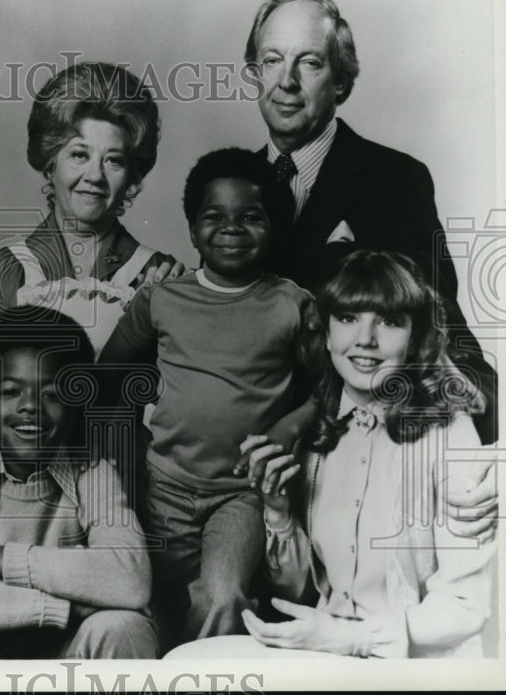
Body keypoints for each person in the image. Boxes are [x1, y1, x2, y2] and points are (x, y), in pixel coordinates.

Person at [239, 0, 498, 528]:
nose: (285, 81)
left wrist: (483, 423)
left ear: (339, 80)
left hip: (348, 453)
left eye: (308, 62)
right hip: (247, 454)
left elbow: (439, 318)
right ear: (253, 73)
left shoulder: (393, 179)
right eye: (271, 61)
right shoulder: (235, 189)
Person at [97, 148, 315, 651]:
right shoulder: (162, 299)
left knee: (222, 595)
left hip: (240, 494)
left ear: (274, 226)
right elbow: (107, 375)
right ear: (192, 229)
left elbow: (330, 389)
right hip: (163, 485)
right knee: (138, 594)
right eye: (214, 217)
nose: (231, 228)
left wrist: (290, 426)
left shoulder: (293, 304)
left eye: (251, 217)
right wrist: (138, 425)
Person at [240, 250, 494, 658]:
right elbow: (299, 589)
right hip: (328, 658)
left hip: (419, 673)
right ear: (325, 333)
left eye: (389, 321)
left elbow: (466, 605)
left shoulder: (450, 434)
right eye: (347, 318)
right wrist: (279, 513)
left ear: (415, 338)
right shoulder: (316, 437)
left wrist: (356, 639)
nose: (365, 339)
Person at [0, 61, 179, 456]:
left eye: (114, 160)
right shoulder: (7, 268)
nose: (96, 176)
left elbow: (176, 402)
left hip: (117, 486)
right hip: (17, 497)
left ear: (132, 173)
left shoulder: (158, 274)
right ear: (50, 161)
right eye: (79, 155)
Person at [0, 306, 159, 659]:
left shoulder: (92, 471)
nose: (30, 407)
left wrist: (2, 561)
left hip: (67, 659)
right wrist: (57, 610)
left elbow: (131, 579)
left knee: (125, 626)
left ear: (74, 409)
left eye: (51, 394)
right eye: (10, 391)